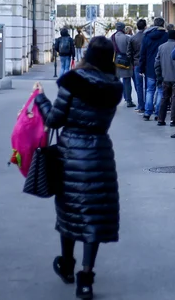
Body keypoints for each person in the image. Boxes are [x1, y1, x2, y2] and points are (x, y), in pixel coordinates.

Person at [33, 36, 123, 300]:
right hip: (101, 153)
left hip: (71, 153)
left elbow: (54, 119)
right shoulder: (114, 86)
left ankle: (67, 265)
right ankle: (86, 277)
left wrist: (40, 99)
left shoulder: (73, 81)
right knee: (93, 216)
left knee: (70, 213)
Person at [138, 17, 168, 121]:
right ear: (163, 24)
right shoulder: (166, 36)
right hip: (162, 67)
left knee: (149, 90)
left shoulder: (146, 36)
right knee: (160, 90)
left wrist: (141, 68)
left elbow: (142, 54)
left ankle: (147, 113)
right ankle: (158, 113)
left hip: (150, 67)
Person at [155, 29, 175, 127]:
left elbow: (157, 63)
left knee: (164, 98)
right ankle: (173, 120)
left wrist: (159, 75)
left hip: (165, 77)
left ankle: (161, 119)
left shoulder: (161, 47)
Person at [111, 22, 135, 108]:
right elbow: (131, 50)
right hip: (125, 62)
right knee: (127, 81)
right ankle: (128, 100)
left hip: (115, 61)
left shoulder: (112, 37)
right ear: (123, 28)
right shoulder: (127, 38)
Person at [127, 19, 146, 113]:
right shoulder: (147, 36)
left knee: (139, 85)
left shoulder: (133, 38)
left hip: (136, 63)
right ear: (145, 26)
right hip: (147, 64)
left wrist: (132, 63)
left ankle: (141, 105)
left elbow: (129, 53)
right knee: (149, 86)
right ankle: (148, 105)